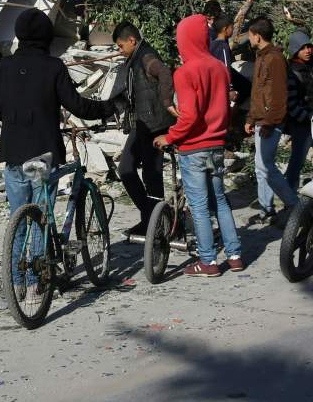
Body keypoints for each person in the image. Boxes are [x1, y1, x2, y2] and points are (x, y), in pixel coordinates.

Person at [0, 9, 114, 300]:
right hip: (41, 155)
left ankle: (16, 284)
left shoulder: (3, 67)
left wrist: (17, 116)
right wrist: (106, 108)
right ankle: (35, 283)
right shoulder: (53, 66)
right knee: (39, 219)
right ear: (46, 37)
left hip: (13, 154)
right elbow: (78, 106)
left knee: (18, 218)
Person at [152, 14, 243, 277]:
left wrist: (170, 137)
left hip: (194, 149)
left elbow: (189, 116)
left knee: (200, 207)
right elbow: (224, 106)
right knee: (221, 202)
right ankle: (235, 255)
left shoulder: (185, 72)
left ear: (184, 41)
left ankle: (208, 262)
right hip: (216, 144)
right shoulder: (219, 68)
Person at [112, 22, 176, 238]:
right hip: (142, 124)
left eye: (121, 46)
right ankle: (150, 217)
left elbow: (164, 72)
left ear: (132, 41)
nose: (120, 51)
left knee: (152, 175)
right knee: (126, 169)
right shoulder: (134, 59)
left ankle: (158, 224)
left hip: (155, 125)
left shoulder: (147, 57)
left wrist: (167, 101)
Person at [245, 18, 297, 224]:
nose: (248, 38)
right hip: (261, 120)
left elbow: (278, 95)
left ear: (257, 36)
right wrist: (251, 117)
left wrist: (269, 122)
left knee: (265, 165)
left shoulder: (274, 59)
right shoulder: (262, 57)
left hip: (270, 122)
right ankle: (267, 209)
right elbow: (258, 92)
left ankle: (294, 206)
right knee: (261, 166)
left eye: (249, 35)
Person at [284, 31, 313, 190]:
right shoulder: (292, 71)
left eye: (309, 46)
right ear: (295, 50)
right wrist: (307, 117)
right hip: (302, 124)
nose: (308, 50)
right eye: (303, 48)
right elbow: (291, 103)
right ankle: (289, 193)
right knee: (298, 160)